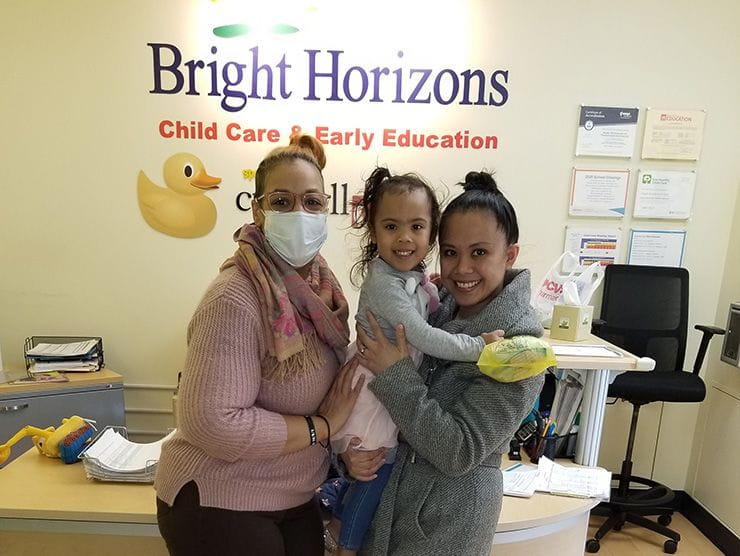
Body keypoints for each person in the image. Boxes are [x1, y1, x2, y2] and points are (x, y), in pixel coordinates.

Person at [154, 135, 364, 556]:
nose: (299, 214)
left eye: (312, 202)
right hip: (219, 498)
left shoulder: (320, 290)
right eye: (282, 202)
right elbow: (212, 421)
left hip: (293, 494)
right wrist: (321, 427)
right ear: (258, 210)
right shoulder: (234, 296)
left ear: (327, 208)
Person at [347, 170, 546, 556]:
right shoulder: (438, 304)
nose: (462, 268)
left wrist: (394, 374)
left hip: (447, 522)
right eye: (451, 252)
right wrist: (356, 449)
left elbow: (459, 450)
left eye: (480, 252)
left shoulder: (520, 350)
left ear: (510, 255)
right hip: (394, 501)